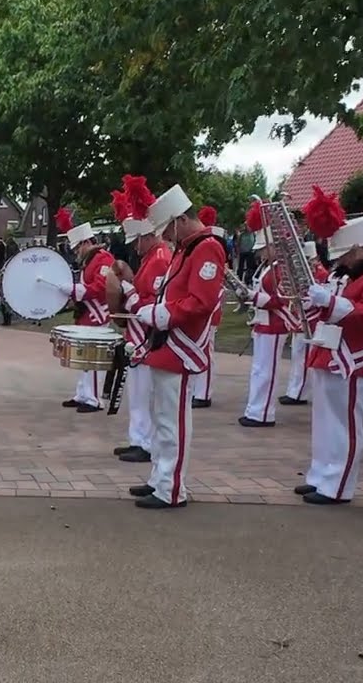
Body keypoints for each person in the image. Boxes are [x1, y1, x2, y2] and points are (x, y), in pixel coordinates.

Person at [297, 187, 363, 505]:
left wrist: (329, 300)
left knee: (345, 423)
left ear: (360, 248)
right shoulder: (356, 271)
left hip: (354, 356)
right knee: (325, 421)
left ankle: (339, 485)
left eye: (346, 254)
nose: (342, 261)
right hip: (332, 351)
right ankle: (321, 475)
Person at [124, 181, 224, 509]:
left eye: (167, 229)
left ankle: (171, 488)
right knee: (163, 418)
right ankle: (159, 479)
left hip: (182, 345)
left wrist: (163, 313)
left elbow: (201, 300)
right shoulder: (188, 247)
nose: (164, 238)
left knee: (174, 422)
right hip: (168, 344)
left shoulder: (207, 247)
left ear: (180, 220)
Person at [108, 178, 170, 463]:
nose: (135, 248)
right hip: (137, 337)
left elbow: (152, 304)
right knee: (136, 394)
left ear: (147, 235)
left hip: (146, 339)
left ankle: (143, 443)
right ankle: (137, 438)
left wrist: (128, 291)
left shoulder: (158, 258)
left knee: (143, 395)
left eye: (137, 241)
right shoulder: (150, 258)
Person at [42, 210, 115, 413]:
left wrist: (75, 290)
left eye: (76, 248)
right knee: (84, 357)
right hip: (87, 313)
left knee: (93, 359)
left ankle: (94, 399)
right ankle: (83, 394)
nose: (75, 252)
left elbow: (101, 287)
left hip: (97, 313)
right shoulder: (90, 260)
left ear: (85, 243)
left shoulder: (103, 258)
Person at [239, 221, 295, 429]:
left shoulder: (282, 268)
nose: (261, 253)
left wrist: (254, 297)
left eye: (264, 248)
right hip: (263, 321)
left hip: (275, 322)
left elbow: (281, 299)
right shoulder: (268, 267)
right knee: (259, 369)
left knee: (267, 370)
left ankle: (263, 413)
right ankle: (255, 409)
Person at [279, 242, 329, 406]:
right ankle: (294, 389)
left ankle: (299, 393)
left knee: (304, 357)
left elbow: (320, 299)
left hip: (311, 320)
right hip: (300, 319)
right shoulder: (306, 274)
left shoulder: (321, 274)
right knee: (297, 356)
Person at [189, 207, 224, 408]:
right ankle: (199, 390)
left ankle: (204, 393)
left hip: (211, 304)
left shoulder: (211, 246)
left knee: (207, 350)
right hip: (208, 301)